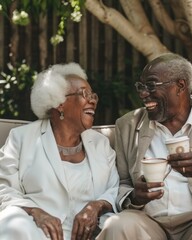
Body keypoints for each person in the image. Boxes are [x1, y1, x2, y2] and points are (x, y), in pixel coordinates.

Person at [96, 53, 192, 240]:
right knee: (119, 225)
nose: (143, 94)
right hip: (148, 221)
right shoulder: (128, 125)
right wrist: (135, 196)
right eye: (141, 86)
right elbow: (122, 182)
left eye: (151, 86)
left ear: (180, 86)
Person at [0, 62, 119, 240]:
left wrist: (96, 206)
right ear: (59, 103)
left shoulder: (100, 143)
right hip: (37, 230)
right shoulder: (21, 138)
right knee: (12, 222)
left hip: (93, 233)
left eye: (93, 95)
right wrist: (35, 212)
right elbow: (3, 188)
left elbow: (114, 189)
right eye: (85, 94)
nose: (93, 100)